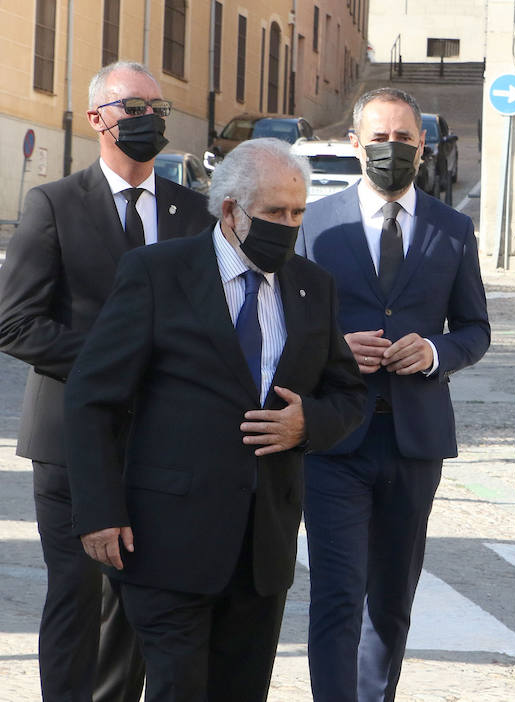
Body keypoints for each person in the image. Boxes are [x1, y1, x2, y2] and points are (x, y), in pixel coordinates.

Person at [62, 137, 366, 702]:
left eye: (298, 212)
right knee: (179, 690)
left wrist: (309, 426)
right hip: (164, 541)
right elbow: (91, 399)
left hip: (261, 551)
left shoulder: (311, 287)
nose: (290, 224)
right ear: (230, 209)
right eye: (275, 212)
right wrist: (99, 512)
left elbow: (348, 393)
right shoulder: (158, 273)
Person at [0, 60, 217, 702]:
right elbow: (15, 325)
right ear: (99, 118)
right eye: (134, 108)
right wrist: (116, 360)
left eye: (157, 108)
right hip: (69, 440)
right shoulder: (54, 204)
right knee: (75, 596)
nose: (148, 119)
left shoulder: (195, 214)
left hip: (160, 448)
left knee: (133, 606)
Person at [296, 87, 490, 702]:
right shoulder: (314, 225)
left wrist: (435, 352)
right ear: (354, 144)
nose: (391, 149)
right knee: (336, 592)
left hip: (415, 440)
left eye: (403, 138)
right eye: (378, 138)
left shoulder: (453, 229)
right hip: (333, 439)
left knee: (392, 596)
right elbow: (286, 323)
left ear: (423, 144)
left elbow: (476, 329)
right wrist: (333, 347)